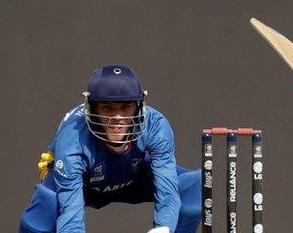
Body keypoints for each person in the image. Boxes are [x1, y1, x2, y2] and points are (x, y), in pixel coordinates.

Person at [19, 64, 201, 233]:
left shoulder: (154, 124)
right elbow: (71, 217)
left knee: (192, 186)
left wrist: (165, 227)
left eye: (125, 107)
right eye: (107, 108)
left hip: (132, 175)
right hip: (83, 185)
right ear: (91, 107)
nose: (117, 118)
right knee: (41, 216)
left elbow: (167, 192)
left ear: (139, 106)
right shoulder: (73, 136)